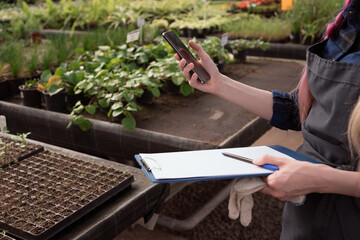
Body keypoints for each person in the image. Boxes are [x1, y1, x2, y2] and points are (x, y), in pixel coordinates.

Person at [174, 0, 360, 238]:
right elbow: (300, 110)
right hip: (306, 210)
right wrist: (219, 84)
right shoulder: (348, 24)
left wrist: (319, 178)